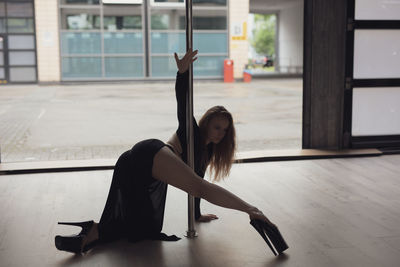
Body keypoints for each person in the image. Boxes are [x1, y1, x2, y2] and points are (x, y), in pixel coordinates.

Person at [55, 49, 275, 254]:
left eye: (225, 130)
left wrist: (197, 215)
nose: (220, 133)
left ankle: (90, 233)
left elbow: (194, 184)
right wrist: (182, 74)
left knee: (138, 227)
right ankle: (252, 209)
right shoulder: (192, 132)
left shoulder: (206, 152)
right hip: (149, 152)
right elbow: (184, 104)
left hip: (142, 170)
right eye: (217, 127)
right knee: (200, 188)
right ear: (206, 123)